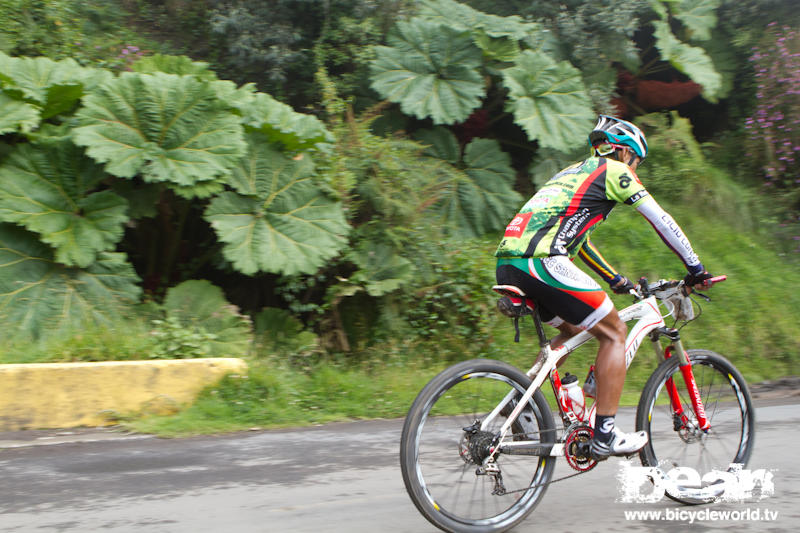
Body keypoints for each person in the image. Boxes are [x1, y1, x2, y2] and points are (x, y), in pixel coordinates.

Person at [495, 115, 714, 460]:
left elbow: (577, 243)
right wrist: (695, 268)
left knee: (571, 331)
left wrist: (617, 281)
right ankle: (606, 434)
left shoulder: (573, 174)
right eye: (636, 161)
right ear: (626, 154)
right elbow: (661, 219)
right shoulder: (616, 171)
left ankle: (518, 403)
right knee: (614, 332)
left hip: (510, 263)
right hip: (541, 260)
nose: (635, 168)